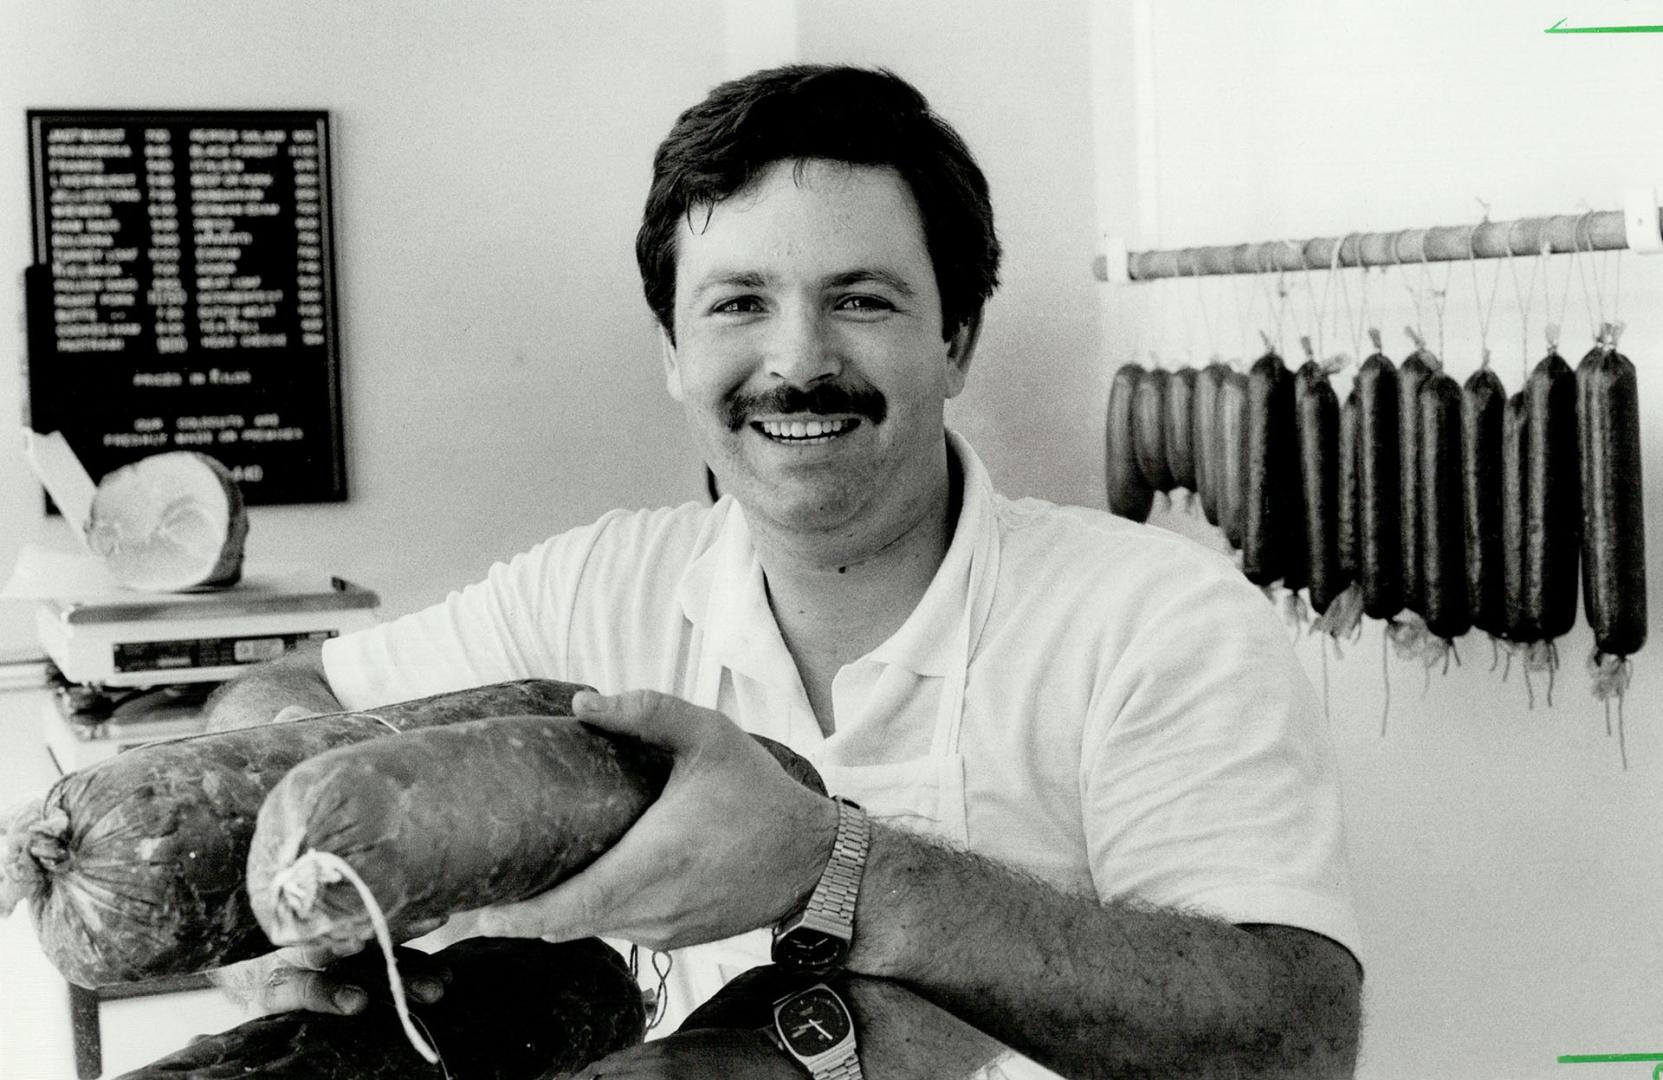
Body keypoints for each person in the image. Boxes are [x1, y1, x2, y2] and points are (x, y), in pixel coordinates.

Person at [209, 64, 1363, 1078]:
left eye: (860, 301)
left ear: (955, 341)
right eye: (738, 305)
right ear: (673, 351)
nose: (798, 361)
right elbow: (277, 706)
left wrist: (833, 868)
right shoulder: (584, 592)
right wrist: (271, 918)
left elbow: (1297, 1040)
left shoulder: (1156, 621)